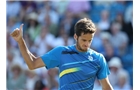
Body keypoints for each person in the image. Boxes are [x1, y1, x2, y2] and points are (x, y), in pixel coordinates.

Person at [10, 18, 113, 90]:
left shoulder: (98, 58)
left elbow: (106, 87)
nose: (87, 44)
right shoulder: (61, 52)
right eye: (84, 40)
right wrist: (20, 41)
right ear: (75, 37)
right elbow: (32, 64)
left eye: (90, 40)